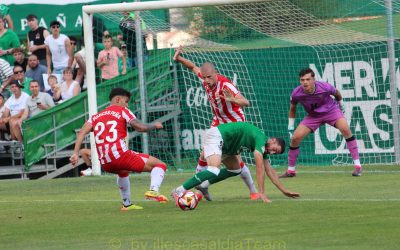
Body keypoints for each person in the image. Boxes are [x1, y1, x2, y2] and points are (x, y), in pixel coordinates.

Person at [173, 45, 259, 201]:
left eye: (209, 77)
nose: (206, 80)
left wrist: (232, 99)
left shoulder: (225, 84)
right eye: (204, 77)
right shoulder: (205, 79)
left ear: (215, 73)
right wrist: (179, 59)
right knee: (205, 154)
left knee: (236, 163)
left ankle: (253, 191)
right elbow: (192, 66)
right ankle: (199, 188)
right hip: (218, 122)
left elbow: (245, 102)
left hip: (234, 124)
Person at [70, 87, 169, 210]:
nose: (127, 104)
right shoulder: (122, 111)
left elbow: (81, 133)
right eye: (126, 101)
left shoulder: (95, 116)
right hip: (120, 156)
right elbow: (140, 127)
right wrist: (154, 125)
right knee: (160, 165)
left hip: (105, 163)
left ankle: (126, 204)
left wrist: (75, 153)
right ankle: (153, 191)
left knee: (122, 172)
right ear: (118, 99)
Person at [172, 122, 300, 205]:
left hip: (227, 148)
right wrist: (261, 192)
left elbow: (269, 170)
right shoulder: (261, 138)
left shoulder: (263, 147)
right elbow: (260, 167)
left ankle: (204, 185)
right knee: (213, 169)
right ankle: (179, 190)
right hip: (216, 136)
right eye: (274, 149)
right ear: (272, 140)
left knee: (236, 169)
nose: (272, 152)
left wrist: (284, 190)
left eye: (275, 153)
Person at [280, 68, 362, 178]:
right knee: (295, 138)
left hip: (331, 111)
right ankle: (291, 171)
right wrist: (290, 126)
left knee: (345, 129)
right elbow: (293, 107)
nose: (305, 82)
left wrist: (341, 104)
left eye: (308, 79)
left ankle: (358, 166)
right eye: (302, 80)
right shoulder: (296, 93)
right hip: (313, 116)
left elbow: (337, 93)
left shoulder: (324, 87)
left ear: (314, 79)